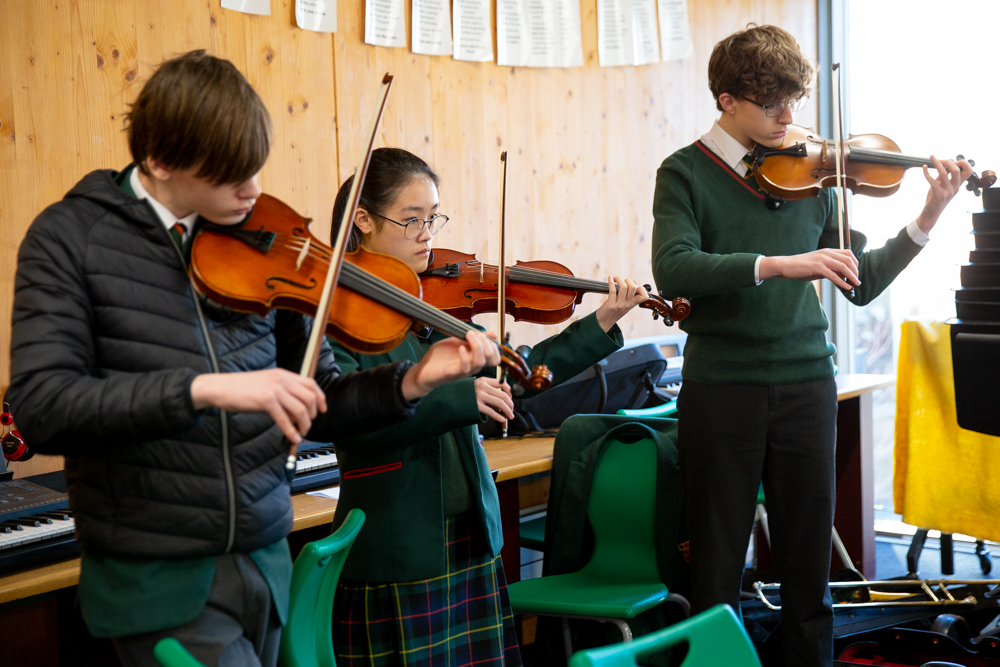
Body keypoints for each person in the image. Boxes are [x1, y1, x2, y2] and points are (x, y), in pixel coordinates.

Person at [5, 51, 498, 667]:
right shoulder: (71, 240)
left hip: (265, 565)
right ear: (159, 161)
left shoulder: (265, 244)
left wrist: (411, 382)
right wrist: (205, 390)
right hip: (160, 576)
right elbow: (42, 407)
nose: (253, 193)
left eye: (255, 170)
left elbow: (322, 403)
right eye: (229, 176)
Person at [650, 24, 972, 667]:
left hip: (805, 385)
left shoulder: (814, 174)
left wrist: (929, 214)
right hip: (722, 391)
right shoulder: (683, 172)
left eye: (794, 103)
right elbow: (676, 268)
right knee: (716, 573)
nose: (788, 119)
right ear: (726, 100)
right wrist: (780, 263)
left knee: (808, 576)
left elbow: (862, 281)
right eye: (772, 105)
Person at [325, 147, 649, 667]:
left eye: (432, 217)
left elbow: (512, 376)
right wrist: (459, 397)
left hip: (472, 539)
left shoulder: (432, 304)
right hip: (399, 547)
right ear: (362, 220)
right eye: (412, 220)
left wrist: (601, 325)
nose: (428, 233)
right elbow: (348, 420)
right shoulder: (335, 315)